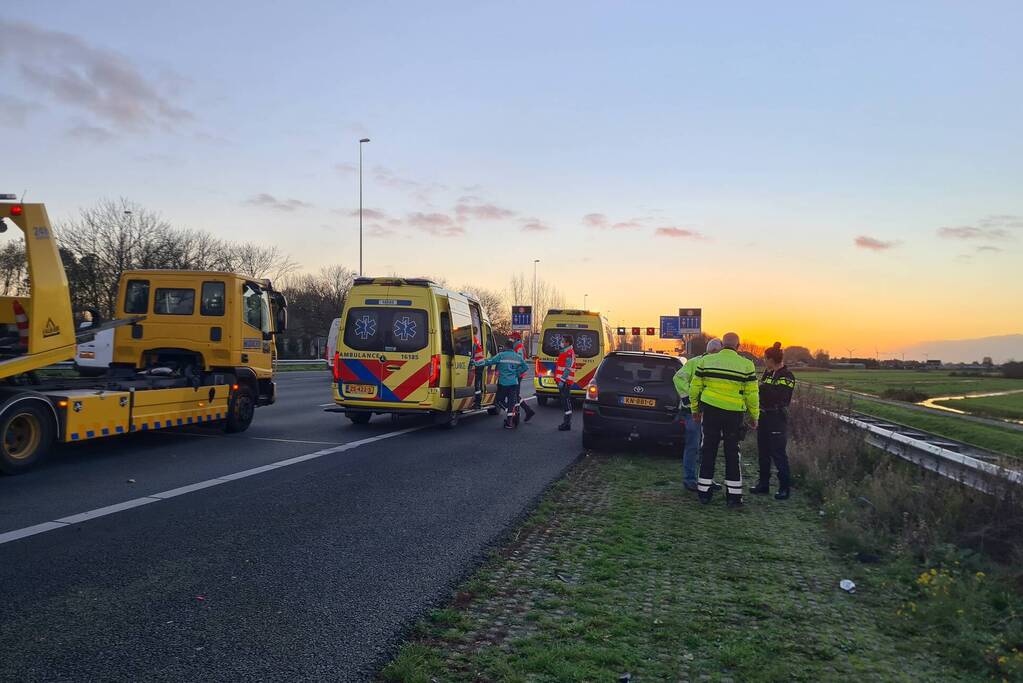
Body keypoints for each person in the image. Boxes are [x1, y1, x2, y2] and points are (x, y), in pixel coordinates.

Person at [689, 331, 759, 507]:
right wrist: (754, 415)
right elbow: (752, 394)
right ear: (738, 346)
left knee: (708, 450)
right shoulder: (746, 365)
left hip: (711, 410)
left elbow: (695, 387)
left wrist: (695, 409)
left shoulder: (706, 361)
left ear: (721, 344)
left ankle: (704, 493)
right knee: (732, 453)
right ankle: (734, 497)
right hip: (734, 414)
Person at [672, 338, 722, 492]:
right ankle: (690, 480)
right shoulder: (697, 362)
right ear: (715, 351)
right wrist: (689, 399)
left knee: (705, 447)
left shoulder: (703, 363)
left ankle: (705, 479)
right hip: (695, 411)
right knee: (694, 446)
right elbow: (678, 378)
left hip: (708, 411)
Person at [751, 342, 796, 500]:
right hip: (763, 417)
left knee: (778, 454)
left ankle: (784, 488)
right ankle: (763, 484)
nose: (764, 361)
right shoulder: (768, 373)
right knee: (763, 452)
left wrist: (762, 388)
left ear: (771, 359)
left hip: (776, 418)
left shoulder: (787, 376)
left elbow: (781, 396)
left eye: (765, 358)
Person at [473, 341, 529, 429]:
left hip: (503, 383)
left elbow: (489, 362)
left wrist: (476, 363)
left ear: (506, 347)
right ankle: (510, 422)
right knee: (511, 402)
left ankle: (509, 413)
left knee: (498, 401)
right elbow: (526, 367)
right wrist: (517, 373)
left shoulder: (501, 355)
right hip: (514, 383)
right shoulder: (518, 357)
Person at [510, 332, 536, 424]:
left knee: (514, 395)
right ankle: (526, 411)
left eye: (512, 338)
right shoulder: (517, 346)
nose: (511, 339)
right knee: (515, 395)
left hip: (517, 374)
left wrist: (516, 372)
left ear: (516, 339)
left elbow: (520, 361)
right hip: (517, 374)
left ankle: (517, 415)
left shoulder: (519, 347)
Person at [554, 334, 575, 431]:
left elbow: (568, 368)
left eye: (563, 341)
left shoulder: (569, 353)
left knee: (566, 402)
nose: (561, 343)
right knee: (564, 402)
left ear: (567, 342)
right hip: (562, 381)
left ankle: (567, 424)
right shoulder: (565, 352)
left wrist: (562, 380)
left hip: (565, 382)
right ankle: (566, 423)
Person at [472, 333, 486, 408]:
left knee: (477, 382)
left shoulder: (473, 339)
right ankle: (478, 400)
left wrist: (471, 360)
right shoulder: (475, 339)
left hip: (478, 363)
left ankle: (478, 402)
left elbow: (473, 352)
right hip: (480, 362)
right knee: (478, 382)